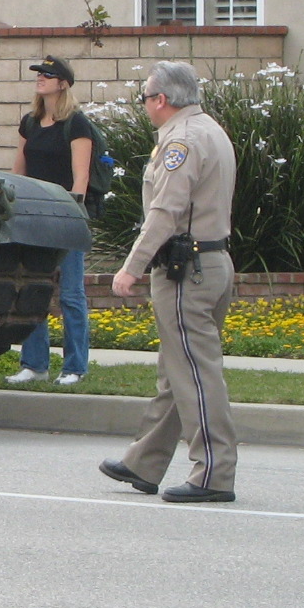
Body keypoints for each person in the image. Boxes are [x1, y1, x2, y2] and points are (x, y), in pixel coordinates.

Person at [99, 60, 240, 505]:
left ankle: (213, 472)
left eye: (144, 97)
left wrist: (131, 266)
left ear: (161, 100)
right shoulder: (210, 129)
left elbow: (166, 210)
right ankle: (145, 461)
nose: (143, 105)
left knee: (196, 372)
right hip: (210, 262)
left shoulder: (182, 140)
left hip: (187, 270)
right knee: (176, 370)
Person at [4, 56, 94, 386]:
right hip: (33, 220)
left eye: (48, 75)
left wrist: (72, 217)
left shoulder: (76, 124)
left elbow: (80, 177)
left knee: (70, 295)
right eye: (39, 74)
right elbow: (19, 171)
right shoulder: (30, 122)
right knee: (32, 292)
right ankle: (34, 363)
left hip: (65, 219)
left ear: (63, 83)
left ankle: (75, 367)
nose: (41, 79)